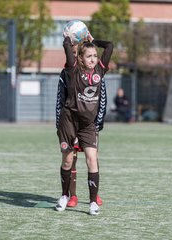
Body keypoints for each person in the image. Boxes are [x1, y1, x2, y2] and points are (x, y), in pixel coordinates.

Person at [55, 32, 113, 215]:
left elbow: (109, 45)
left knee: (92, 159)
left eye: (95, 56)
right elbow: (66, 47)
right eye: (89, 56)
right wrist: (69, 38)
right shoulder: (73, 71)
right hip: (69, 121)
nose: (93, 59)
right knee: (68, 159)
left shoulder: (99, 72)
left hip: (88, 124)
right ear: (80, 58)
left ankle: (93, 202)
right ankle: (65, 196)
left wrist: (93, 41)